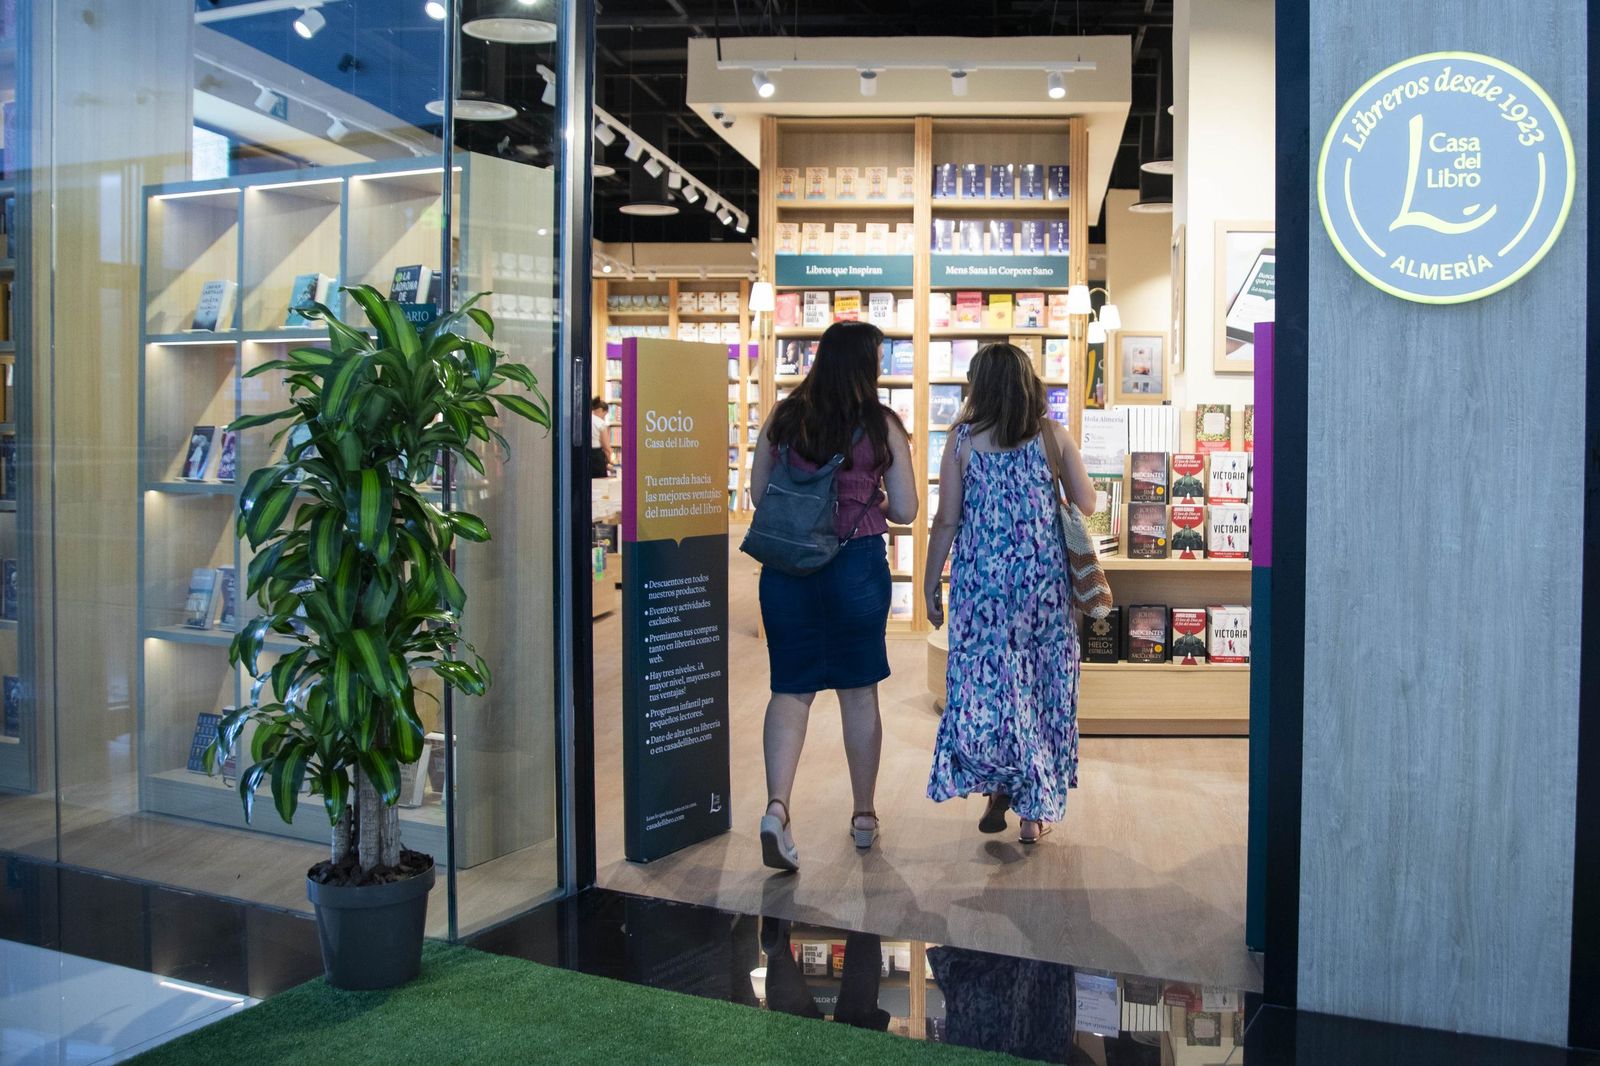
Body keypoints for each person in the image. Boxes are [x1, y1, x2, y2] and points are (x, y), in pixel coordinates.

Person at [750, 320, 917, 871]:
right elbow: (908, 509)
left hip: (787, 569)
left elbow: (758, 494)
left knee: (791, 690)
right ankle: (864, 817)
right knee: (858, 692)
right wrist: (866, 499)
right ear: (867, 365)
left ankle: (777, 809)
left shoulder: (784, 416)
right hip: (856, 567)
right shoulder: (882, 425)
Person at [923, 342, 1096, 844]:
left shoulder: (959, 441)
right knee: (1042, 689)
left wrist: (933, 581)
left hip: (982, 591)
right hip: (1041, 589)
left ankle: (1000, 782)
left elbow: (946, 520)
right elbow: (1085, 501)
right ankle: (1032, 810)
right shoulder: (1051, 436)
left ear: (977, 386)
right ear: (1028, 383)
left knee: (989, 689)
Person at [589, 396, 613, 478]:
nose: (604, 417)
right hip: (596, 457)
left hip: (584, 454)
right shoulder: (600, 423)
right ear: (601, 410)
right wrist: (610, 460)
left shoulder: (586, 419)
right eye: (605, 414)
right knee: (599, 484)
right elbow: (606, 446)